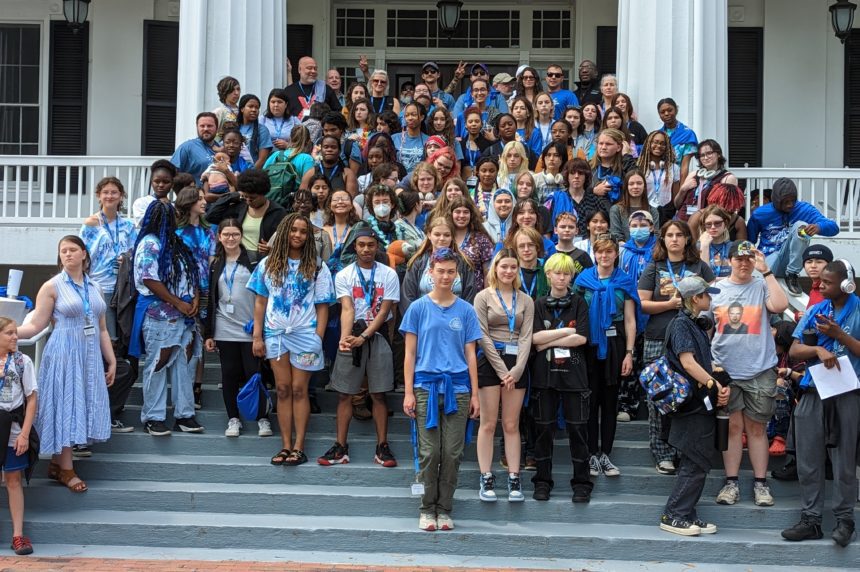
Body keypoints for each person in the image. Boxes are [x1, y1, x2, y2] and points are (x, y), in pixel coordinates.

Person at [18, 236, 114, 491]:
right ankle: (67, 469)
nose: (68, 255)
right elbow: (36, 325)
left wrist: (111, 359)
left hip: (89, 353)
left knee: (79, 404)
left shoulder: (95, 286)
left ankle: (57, 465)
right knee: (66, 404)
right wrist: (9, 333)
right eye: (63, 251)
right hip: (64, 352)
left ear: (84, 254)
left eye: (73, 250)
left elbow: (103, 328)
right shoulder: (52, 286)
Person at [401, 247, 482, 531]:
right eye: (440, 271)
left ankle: (445, 508)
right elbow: (409, 354)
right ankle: (427, 508)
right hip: (425, 386)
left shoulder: (467, 310)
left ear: (456, 274)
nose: (445, 276)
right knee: (430, 451)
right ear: (430, 273)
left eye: (450, 271)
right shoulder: (418, 308)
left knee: (452, 452)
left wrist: (475, 394)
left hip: (458, 387)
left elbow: (471, 353)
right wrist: (409, 391)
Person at [248, 213, 335, 467]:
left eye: (303, 231)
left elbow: (322, 306)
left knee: (300, 389)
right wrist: (257, 336)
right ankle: (285, 445)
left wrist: (317, 338)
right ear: (284, 231)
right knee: (283, 389)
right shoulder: (267, 264)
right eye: (293, 230)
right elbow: (260, 301)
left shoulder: (318, 265)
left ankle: (299, 446)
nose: (297, 235)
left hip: (306, 335)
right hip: (275, 334)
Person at [783, 260, 860, 547]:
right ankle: (811, 520)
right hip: (813, 391)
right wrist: (816, 348)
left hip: (847, 394)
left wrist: (839, 335)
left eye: (827, 282)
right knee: (808, 461)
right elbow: (793, 350)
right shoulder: (817, 310)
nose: (819, 285)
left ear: (846, 284)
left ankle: (844, 521)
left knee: (844, 461)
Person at [710, 240, 788, 507]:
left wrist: (766, 271)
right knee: (732, 428)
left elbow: (780, 305)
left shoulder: (761, 284)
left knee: (757, 429)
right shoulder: (717, 288)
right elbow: (707, 326)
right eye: (738, 258)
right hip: (725, 369)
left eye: (748, 259)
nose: (744, 263)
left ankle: (760, 484)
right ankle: (731, 483)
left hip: (759, 369)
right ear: (729, 260)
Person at [638, 220, 716, 475]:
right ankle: (663, 454)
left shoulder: (699, 266)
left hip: (691, 339)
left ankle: (685, 450)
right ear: (663, 240)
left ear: (687, 239)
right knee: (658, 397)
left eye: (679, 235)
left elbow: (712, 302)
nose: (674, 239)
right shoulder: (654, 267)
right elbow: (643, 304)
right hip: (658, 337)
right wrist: (672, 305)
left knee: (689, 396)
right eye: (669, 235)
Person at [319, 229, 399, 467]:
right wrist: (345, 338)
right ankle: (340, 446)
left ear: (377, 247)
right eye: (362, 245)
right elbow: (347, 308)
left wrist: (365, 336)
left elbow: (385, 311)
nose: (366, 249)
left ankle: (382, 446)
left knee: (378, 394)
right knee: (345, 393)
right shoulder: (344, 274)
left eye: (371, 245)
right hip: (353, 333)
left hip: (377, 335)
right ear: (355, 247)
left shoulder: (388, 274)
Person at [659, 276, 729, 537]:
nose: (710, 299)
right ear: (695, 298)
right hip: (690, 405)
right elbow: (687, 363)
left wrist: (716, 382)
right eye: (706, 295)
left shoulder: (694, 324)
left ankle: (687, 512)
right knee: (694, 460)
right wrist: (714, 384)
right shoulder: (680, 325)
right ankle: (674, 514)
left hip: (700, 403)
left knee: (698, 460)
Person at [129, 201, 203, 436]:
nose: (167, 219)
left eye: (170, 215)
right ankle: (153, 416)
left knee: (184, 364)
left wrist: (195, 300)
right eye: (163, 215)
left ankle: (184, 414)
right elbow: (149, 279)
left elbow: (192, 273)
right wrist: (178, 302)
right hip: (159, 314)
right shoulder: (149, 243)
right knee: (158, 364)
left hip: (184, 316)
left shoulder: (176, 242)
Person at [528, 253, 592, 502]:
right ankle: (542, 481)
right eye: (557, 272)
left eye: (566, 273)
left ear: (571, 276)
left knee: (578, 430)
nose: (561, 277)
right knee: (544, 430)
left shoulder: (579, 302)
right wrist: (566, 330)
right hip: (545, 377)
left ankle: (582, 483)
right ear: (548, 275)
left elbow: (582, 338)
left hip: (574, 377)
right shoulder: (538, 304)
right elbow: (534, 339)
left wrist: (549, 338)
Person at [574, 235, 639, 477]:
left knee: (610, 402)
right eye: (600, 251)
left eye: (609, 252)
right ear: (594, 253)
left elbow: (631, 320)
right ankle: (592, 454)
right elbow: (576, 314)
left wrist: (629, 353)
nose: (604, 256)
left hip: (615, 345)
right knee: (590, 401)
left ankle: (605, 454)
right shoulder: (583, 281)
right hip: (588, 345)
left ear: (615, 254)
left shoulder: (624, 281)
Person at [473, 249, 534, 502]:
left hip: (517, 362)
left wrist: (518, 369)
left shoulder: (525, 300)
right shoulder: (482, 297)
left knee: (511, 424)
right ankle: (486, 476)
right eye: (504, 266)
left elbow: (527, 335)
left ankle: (514, 476)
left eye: (513, 267)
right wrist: (501, 370)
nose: (508, 271)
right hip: (490, 361)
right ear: (495, 268)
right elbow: (482, 335)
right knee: (488, 424)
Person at [203, 219, 271, 437]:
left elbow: (264, 295)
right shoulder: (215, 264)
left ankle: (263, 417)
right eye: (226, 234)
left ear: (241, 236)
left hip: (251, 327)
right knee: (229, 374)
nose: (230, 238)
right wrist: (209, 333)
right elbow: (212, 299)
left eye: (235, 234)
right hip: (224, 326)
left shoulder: (254, 260)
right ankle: (233, 418)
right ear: (219, 237)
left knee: (254, 373)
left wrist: (262, 327)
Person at [746, 177, 840, 296]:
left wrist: (818, 227)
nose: (790, 205)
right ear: (775, 200)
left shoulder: (804, 209)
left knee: (800, 226)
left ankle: (792, 275)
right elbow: (749, 241)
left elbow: (834, 227)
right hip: (769, 261)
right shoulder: (760, 213)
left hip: (790, 261)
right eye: (785, 202)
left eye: (793, 201)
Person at [80, 176, 138, 341]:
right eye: (105, 192)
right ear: (99, 195)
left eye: (114, 192)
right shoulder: (91, 223)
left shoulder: (128, 225)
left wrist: (127, 259)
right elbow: (82, 253)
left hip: (123, 286)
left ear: (121, 196)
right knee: (107, 336)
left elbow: (136, 253)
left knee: (122, 334)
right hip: (100, 284)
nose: (109, 196)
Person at [0, 317, 38, 555]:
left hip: (14, 428)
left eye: (16, 333)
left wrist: (24, 434)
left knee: (13, 480)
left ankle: (18, 535)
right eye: (9, 333)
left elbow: (32, 398)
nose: (15, 337)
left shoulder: (23, 361)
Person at [402, 217, 477, 310]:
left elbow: (470, 297)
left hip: (455, 320)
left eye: (446, 235)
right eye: (437, 234)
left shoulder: (465, 264)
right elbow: (407, 297)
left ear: (452, 237)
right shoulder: (417, 262)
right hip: (423, 320)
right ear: (429, 235)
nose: (442, 238)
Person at [674, 140, 738, 224]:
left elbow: (726, 210)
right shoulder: (693, 175)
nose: (705, 157)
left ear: (718, 154)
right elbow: (677, 205)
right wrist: (682, 190)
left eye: (709, 153)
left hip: (706, 225)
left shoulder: (728, 178)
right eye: (702, 155)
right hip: (682, 221)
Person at [545, 158, 609, 239]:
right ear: (567, 176)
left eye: (580, 173)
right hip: (561, 245)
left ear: (586, 176)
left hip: (590, 246)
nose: (576, 176)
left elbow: (605, 226)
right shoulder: (555, 199)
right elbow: (546, 227)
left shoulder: (595, 200)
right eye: (572, 173)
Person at [449, 196, 494, 291]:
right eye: (457, 212)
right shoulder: (444, 237)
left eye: (466, 212)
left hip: (474, 295)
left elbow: (488, 272)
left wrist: (485, 298)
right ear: (451, 214)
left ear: (471, 215)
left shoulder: (481, 240)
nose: (461, 215)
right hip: (447, 294)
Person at [638, 130, 680, 224]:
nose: (659, 146)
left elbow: (675, 197)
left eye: (662, 143)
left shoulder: (674, 168)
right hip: (645, 212)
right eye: (655, 142)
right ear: (649, 144)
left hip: (667, 213)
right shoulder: (640, 167)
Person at [609, 170, 660, 242]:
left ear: (644, 186)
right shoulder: (616, 209)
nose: (635, 186)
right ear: (626, 187)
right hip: (623, 250)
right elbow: (616, 235)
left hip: (648, 251)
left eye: (639, 183)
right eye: (631, 184)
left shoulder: (653, 211)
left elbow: (655, 235)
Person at [590, 128, 637, 204]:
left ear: (618, 147)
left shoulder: (625, 167)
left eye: (608, 144)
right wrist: (593, 191)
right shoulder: (589, 167)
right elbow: (577, 192)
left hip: (620, 212)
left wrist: (626, 155)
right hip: (594, 213)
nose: (603, 147)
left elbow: (636, 179)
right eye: (601, 143)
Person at [170, 112, 218, 185]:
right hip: (194, 194)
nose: (205, 129)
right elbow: (171, 172)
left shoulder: (222, 148)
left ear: (217, 128)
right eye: (202, 126)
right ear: (197, 127)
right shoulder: (187, 147)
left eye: (209, 126)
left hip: (220, 194)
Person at [658, 98, 698, 182]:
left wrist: (682, 190)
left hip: (677, 181)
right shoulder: (658, 135)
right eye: (662, 112)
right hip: (659, 181)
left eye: (670, 110)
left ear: (676, 110)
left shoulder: (687, 134)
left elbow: (684, 166)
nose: (666, 114)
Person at [133, 159, 177, 226]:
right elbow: (144, 223)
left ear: (172, 184)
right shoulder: (141, 202)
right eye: (157, 181)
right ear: (151, 182)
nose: (161, 185)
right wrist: (159, 205)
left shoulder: (174, 207)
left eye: (166, 182)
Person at [697, 205, 734, 280]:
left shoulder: (733, 247)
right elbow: (702, 278)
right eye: (708, 224)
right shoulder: (697, 247)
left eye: (717, 223)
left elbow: (738, 277)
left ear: (725, 223)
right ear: (704, 226)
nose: (713, 227)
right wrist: (704, 247)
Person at [552, 212, 594, 276]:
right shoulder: (550, 253)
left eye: (571, 227)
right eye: (563, 227)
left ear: (576, 231)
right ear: (555, 230)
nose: (567, 230)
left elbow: (590, 279)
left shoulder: (584, 256)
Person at [393, 102, 429, 174]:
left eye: (413, 115)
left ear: (422, 117)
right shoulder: (394, 138)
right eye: (407, 115)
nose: (410, 118)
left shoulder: (429, 140)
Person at [802, 244, 834, 309]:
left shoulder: (835, 290)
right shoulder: (814, 290)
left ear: (829, 265)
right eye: (809, 262)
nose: (813, 266)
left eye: (819, 262)